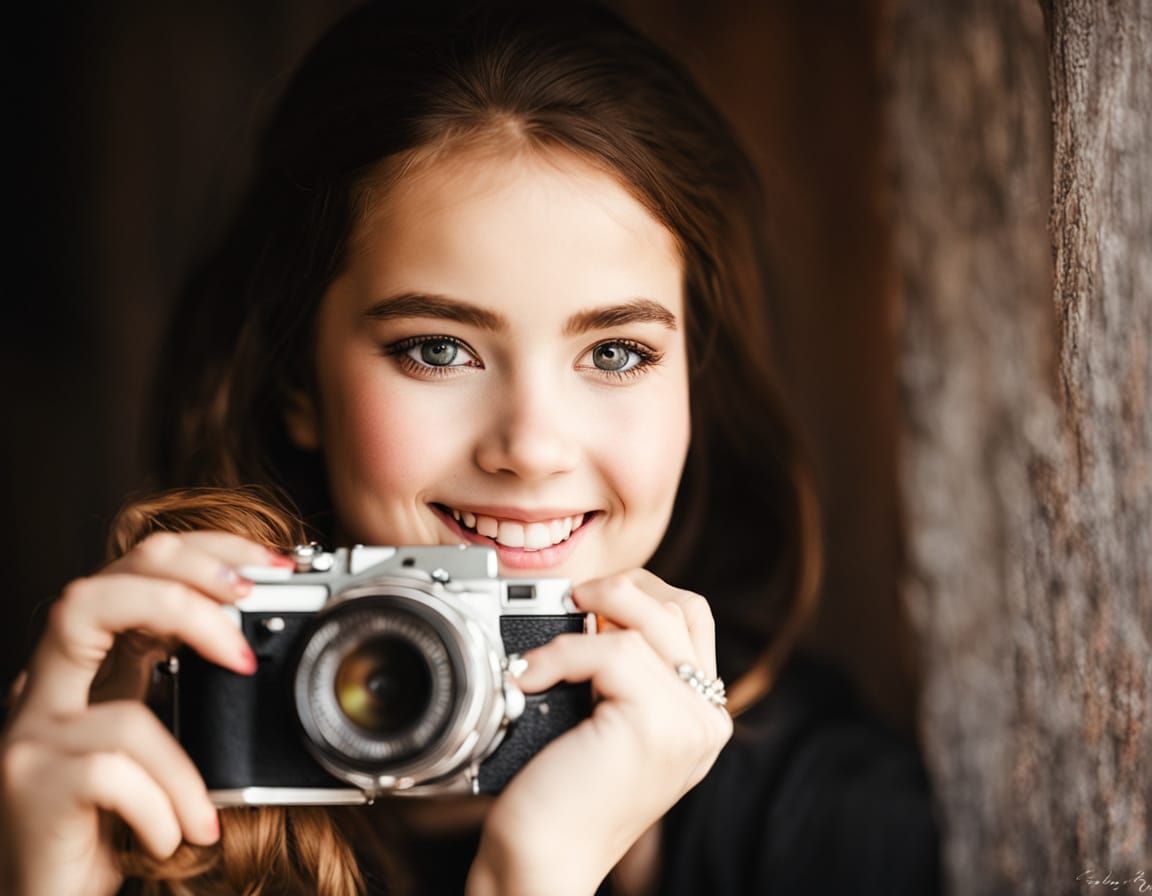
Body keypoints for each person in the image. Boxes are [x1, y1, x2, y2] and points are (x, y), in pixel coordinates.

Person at [0, 2, 940, 894]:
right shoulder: (127, 775)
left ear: (693, 374)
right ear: (297, 380)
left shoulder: (843, 833)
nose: (530, 448)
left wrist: (538, 867)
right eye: (437, 350)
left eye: (617, 353)